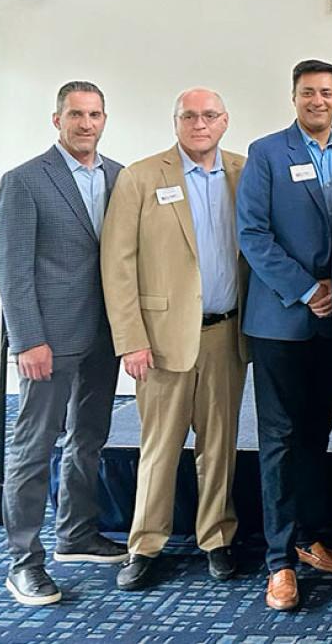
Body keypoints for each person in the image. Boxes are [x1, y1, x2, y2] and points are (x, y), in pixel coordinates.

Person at [101, 87, 248, 590]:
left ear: (225, 121)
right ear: (176, 121)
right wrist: (130, 339)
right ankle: (145, 544)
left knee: (220, 445)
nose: (200, 124)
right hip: (161, 340)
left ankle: (217, 537)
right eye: (190, 115)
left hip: (226, 333)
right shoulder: (141, 177)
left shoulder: (243, 173)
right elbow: (117, 265)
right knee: (159, 445)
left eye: (210, 116)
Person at [237, 59, 332, 611]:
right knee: (280, 440)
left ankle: (311, 538)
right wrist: (306, 289)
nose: (318, 101)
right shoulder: (267, 153)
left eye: (326, 92)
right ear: (294, 97)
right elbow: (253, 232)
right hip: (283, 321)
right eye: (308, 92)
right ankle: (279, 562)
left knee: (318, 435)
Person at [0, 81, 128, 605]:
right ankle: (23, 561)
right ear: (57, 120)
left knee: (88, 436)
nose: (86, 124)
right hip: (48, 339)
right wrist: (28, 339)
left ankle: (76, 533)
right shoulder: (24, 181)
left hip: (104, 333)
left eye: (94, 114)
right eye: (75, 114)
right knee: (32, 447)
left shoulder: (120, 177)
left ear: (104, 118)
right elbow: (11, 267)